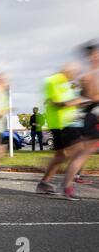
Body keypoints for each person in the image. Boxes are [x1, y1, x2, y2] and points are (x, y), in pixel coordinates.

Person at [35, 63, 84, 200]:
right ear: (67, 70)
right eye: (75, 71)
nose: (76, 75)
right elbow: (56, 102)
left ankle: (44, 183)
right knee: (80, 150)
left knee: (61, 156)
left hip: (65, 122)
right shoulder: (54, 80)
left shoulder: (65, 83)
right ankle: (67, 185)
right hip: (62, 123)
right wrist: (77, 101)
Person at [60, 43, 99, 198]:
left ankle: (66, 184)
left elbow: (83, 97)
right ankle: (67, 186)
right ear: (91, 57)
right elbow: (89, 97)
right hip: (93, 116)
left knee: (82, 153)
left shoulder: (89, 74)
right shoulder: (89, 75)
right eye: (95, 54)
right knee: (82, 154)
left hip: (90, 115)